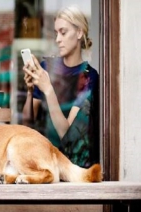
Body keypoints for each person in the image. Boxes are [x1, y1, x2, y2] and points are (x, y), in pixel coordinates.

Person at [22, 6, 99, 168]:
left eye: (63, 33)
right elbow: (27, 122)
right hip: (43, 162)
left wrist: (48, 89)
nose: (57, 39)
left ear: (79, 33)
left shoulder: (88, 77)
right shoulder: (46, 68)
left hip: (73, 167)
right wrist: (30, 91)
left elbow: (67, 134)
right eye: (56, 33)